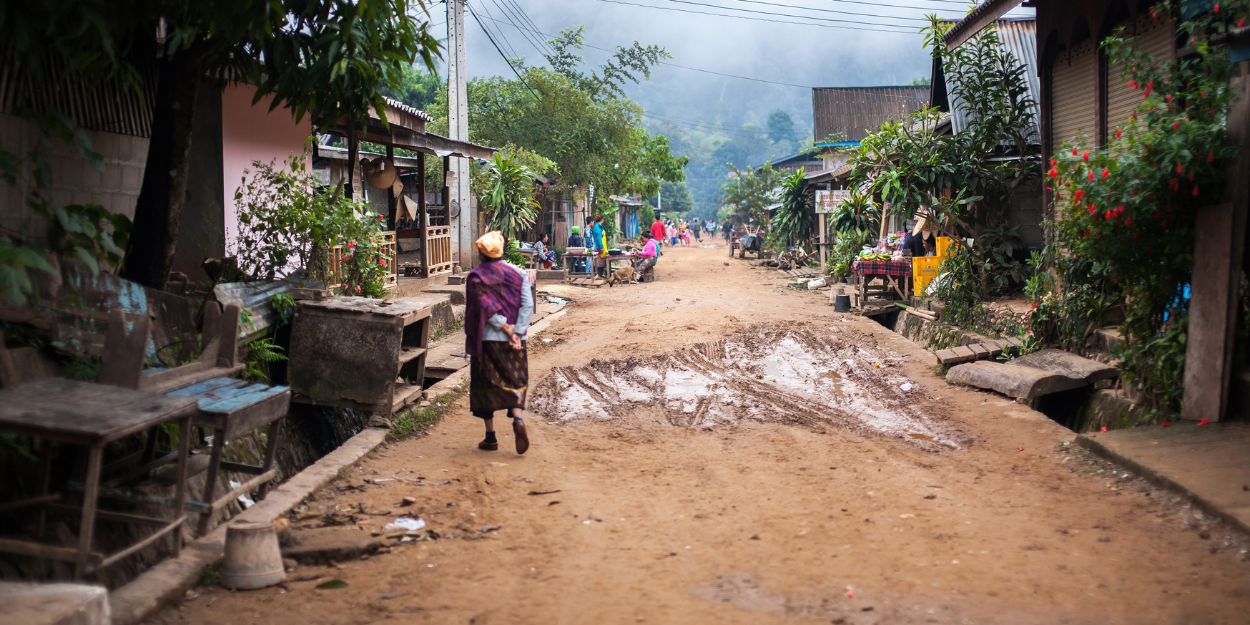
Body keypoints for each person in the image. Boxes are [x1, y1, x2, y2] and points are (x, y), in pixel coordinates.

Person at [465, 231, 533, 455]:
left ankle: (490, 437)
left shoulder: (476, 277)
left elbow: (484, 307)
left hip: (487, 340)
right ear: (501, 251)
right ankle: (517, 419)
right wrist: (517, 332)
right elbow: (527, 305)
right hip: (515, 340)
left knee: (485, 385)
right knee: (514, 380)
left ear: (481, 254)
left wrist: (504, 326)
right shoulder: (518, 273)